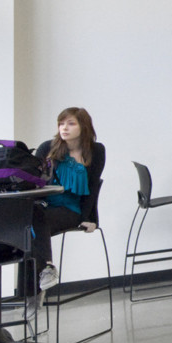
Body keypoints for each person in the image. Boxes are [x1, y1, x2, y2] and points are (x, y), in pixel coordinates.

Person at [31, 108, 104, 291]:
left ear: (84, 126)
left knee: (32, 225)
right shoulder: (48, 147)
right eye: (61, 123)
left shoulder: (96, 150)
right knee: (30, 225)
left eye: (71, 123)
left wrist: (92, 218)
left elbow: (93, 186)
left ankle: (34, 292)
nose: (64, 128)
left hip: (72, 209)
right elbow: (31, 179)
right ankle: (42, 277)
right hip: (44, 206)